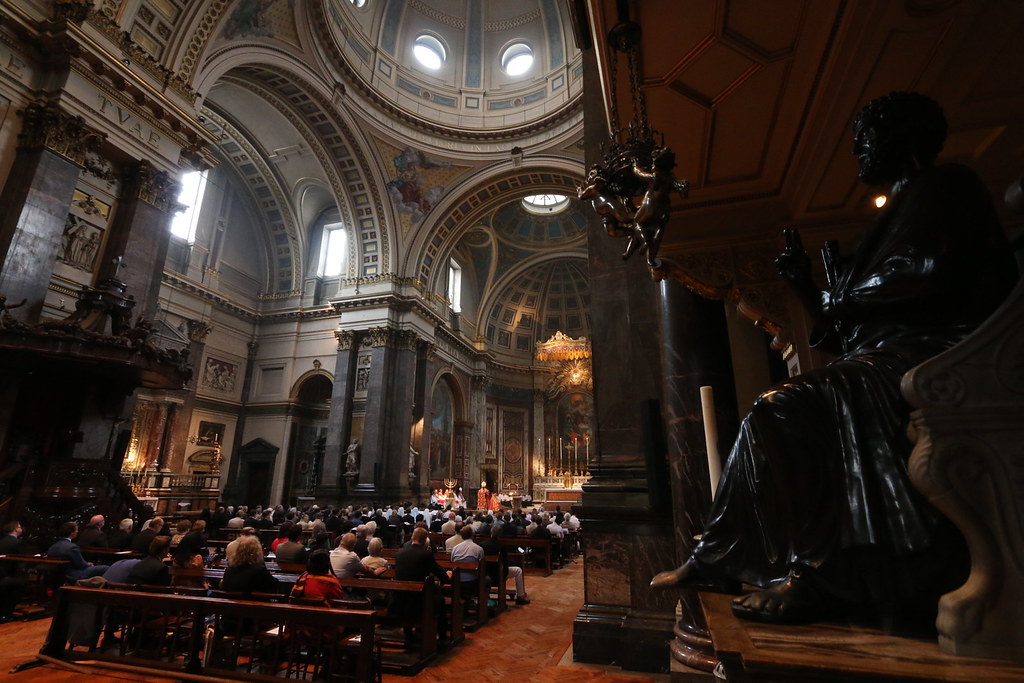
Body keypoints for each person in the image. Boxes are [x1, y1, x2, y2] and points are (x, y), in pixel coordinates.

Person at [651, 92, 1018, 625]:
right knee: (784, 405)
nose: (859, 151)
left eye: (866, 140)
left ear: (901, 139)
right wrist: (805, 286)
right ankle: (726, 557)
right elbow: (836, 331)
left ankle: (810, 572)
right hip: (882, 357)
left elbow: (924, 277)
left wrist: (836, 294)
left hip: (938, 354)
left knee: (781, 406)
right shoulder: (888, 218)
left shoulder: (946, 187)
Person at [393, 528, 451, 648]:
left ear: (412, 538)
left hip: (400, 598)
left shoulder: (399, 554)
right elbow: (437, 571)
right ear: (425, 540)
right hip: (420, 599)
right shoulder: (425, 554)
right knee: (440, 601)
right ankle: (443, 636)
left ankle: (408, 633)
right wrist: (448, 580)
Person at [481, 525, 530, 605]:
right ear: (500, 534)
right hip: (499, 573)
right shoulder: (502, 545)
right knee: (518, 570)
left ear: (491, 533)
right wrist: (504, 573)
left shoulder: (482, 544)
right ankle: (520, 597)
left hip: (484, 573)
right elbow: (505, 562)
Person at [0, 521, 27, 621]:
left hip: (2, 574)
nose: (21, 529)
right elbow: (23, 560)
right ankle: (7, 612)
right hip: (9, 575)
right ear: (16, 529)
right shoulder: (18, 543)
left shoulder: (1, 541)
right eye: (20, 527)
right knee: (22, 583)